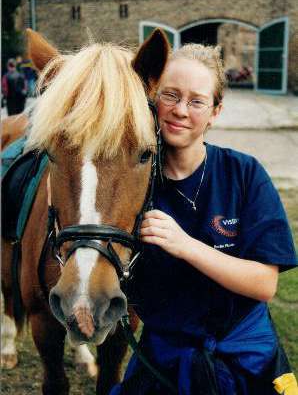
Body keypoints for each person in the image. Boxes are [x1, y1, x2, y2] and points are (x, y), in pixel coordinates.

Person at [111, 44, 298, 394]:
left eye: (196, 101)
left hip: (244, 355)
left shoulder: (243, 173)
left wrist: (186, 246)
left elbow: (264, 284)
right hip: (164, 357)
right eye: (171, 95)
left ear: (215, 112)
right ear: (153, 97)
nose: (180, 110)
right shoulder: (134, 182)